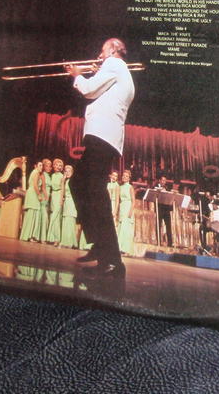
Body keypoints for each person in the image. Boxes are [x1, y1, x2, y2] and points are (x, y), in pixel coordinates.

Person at [66, 38, 135, 278]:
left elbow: (88, 90)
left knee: (94, 191)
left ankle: (112, 260)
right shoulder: (117, 70)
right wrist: (95, 74)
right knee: (78, 184)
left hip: (102, 136)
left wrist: (77, 75)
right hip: (104, 136)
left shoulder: (114, 64)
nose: (99, 55)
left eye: (103, 50)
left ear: (114, 49)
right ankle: (99, 244)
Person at [19, 160, 43, 241]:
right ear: (35, 166)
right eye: (40, 165)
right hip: (33, 194)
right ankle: (28, 236)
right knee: (31, 215)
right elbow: (35, 185)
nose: (41, 167)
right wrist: (39, 195)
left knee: (30, 215)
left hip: (31, 193)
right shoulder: (36, 173)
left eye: (42, 166)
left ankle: (27, 235)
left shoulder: (33, 172)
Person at [32, 158, 52, 242]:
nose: (49, 167)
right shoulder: (42, 174)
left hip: (47, 197)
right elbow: (41, 187)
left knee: (44, 216)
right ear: (44, 166)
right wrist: (45, 196)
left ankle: (41, 237)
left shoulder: (49, 176)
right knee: (43, 216)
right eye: (47, 166)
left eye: (50, 166)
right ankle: (38, 237)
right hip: (44, 196)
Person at [116, 170, 135, 255]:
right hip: (122, 207)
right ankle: (119, 247)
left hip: (128, 207)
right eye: (123, 175)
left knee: (126, 228)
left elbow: (133, 201)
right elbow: (118, 200)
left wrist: (130, 211)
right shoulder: (120, 187)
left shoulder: (130, 187)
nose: (124, 177)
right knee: (121, 228)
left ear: (129, 178)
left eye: (126, 176)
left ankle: (125, 249)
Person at [46, 158, 65, 244]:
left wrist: (61, 199)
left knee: (56, 217)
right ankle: (51, 238)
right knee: (52, 215)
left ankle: (57, 239)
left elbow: (62, 188)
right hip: (53, 196)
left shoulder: (61, 176)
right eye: (57, 165)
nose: (58, 167)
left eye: (60, 165)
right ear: (53, 166)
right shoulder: (53, 175)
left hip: (58, 195)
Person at [60, 165, 79, 248]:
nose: (67, 173)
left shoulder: (74, 181)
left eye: (69, 171)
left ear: (72, 172)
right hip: (67, 202)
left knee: (70, 221)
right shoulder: (67, 181)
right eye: (66, 171)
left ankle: (69, 242)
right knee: (66, 221)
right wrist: (62, 181)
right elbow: (63, 192)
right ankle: (66, 241)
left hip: (72, 202)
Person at [153, 175, 173, 248]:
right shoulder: (155, 187)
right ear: (160, 181)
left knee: (168, 225)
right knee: (158, 225)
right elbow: (153, 195)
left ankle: (170, 243)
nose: (164, 182)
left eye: (165, 181)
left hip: (166, 209)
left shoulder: (167, 188)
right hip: (159, 208)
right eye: (162, 180)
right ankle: (158, 241)